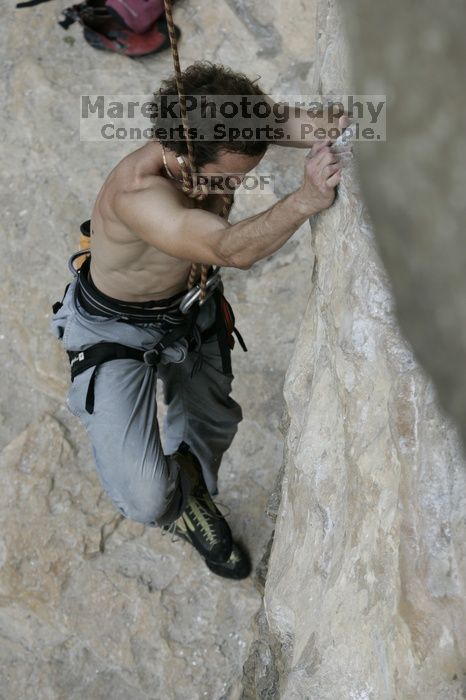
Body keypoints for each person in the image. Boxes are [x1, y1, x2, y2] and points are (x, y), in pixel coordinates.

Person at [51, 62, 350, 580]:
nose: (236, 186)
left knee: (214, 424)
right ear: (185, 154)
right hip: (115, 330)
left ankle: (189, 481)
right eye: (229, 178)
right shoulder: (139, 194)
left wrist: (374, 123)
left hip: (190, 304)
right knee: (145, 499)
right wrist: (304, 200)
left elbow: (316, 125)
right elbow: (226, 247)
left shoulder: (223, 127)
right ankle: (178, 506)